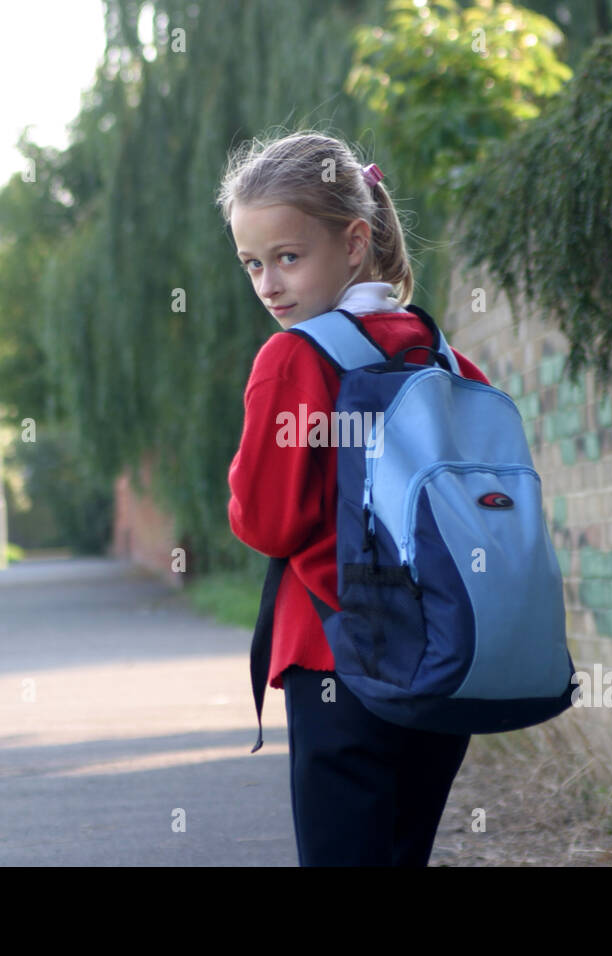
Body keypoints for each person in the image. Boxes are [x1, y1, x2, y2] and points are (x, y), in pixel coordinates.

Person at [218, 131, 494, 866]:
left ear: (354, 242)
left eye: (287, 257)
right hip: (446, 663)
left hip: (337, 660)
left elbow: (268, 522)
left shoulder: (293, 357)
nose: (269, 284)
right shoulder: (443, 356)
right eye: (252, 264)